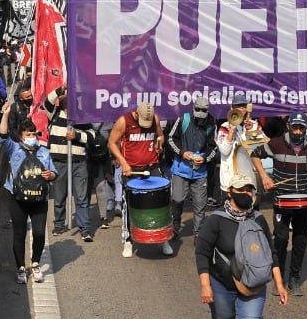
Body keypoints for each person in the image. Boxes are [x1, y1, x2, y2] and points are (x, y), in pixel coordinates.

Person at [195, 174, 287, 319]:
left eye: (250, 189)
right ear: (229, 191)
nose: (246, 193)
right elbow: (202, 253)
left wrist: (280, 284)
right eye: (242, 189)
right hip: (221, 285)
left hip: (253, 287)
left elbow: (271, 254)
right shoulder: (216, 220)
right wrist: (205, 285)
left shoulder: (258, 219)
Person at [0, 103, 55, 284]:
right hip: (17, 199)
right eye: (27, 135)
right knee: (19, 233)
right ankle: (21, 267)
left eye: (33, 134)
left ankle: (35, 263)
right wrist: (5, 114)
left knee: (39, 234)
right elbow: (2, 135)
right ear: (21, 137)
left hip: (39, 199)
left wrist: (49, 175)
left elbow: (53, 173)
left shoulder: (44, 152)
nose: (31, 137)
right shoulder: (14, 148)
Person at [264, 112, 307, 295]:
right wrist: (265, 176)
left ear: (306, 128)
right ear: (288, 126)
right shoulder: (276, 143)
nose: (298, 131)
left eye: (301, 128)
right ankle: (278, 277)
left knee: (300, 240)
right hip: (282, 201)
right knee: (280, 239)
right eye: (295, 127)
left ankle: (295, 278)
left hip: (304, 202)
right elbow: (255, 154)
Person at [107, 100, 169, 258]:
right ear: (136, 113)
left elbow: (160, 136)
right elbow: (112, 143)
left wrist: (160, 144)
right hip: (132, 169)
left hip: (152, 166)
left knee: (160, 201)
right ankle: (128, 240)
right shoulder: (124, 121)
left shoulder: (154, 119)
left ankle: (163, 239)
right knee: (129, 204)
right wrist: (123, 163)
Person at [165, 94, 217, 241]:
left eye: (203, 113)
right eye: (198, 112)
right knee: (177, 199)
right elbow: (171, 139)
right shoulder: (183, 119)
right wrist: (183, 153)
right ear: (193, 108)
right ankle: (174, 227)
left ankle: (198, 235)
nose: (200, 117)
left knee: (200, 205)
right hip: (181, 169)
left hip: (200, 172)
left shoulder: (212, 123)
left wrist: (205, 158)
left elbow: (213, 147)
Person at [45, 88, 92, 241]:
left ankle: (84, 228)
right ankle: (59, 224)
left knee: (81, 197)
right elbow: (48, 101)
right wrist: (62, 87)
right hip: (59, 163)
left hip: (79, 163)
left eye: (69, 100)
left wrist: (77, 136)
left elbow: (92, 135)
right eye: (64, 100)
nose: (67, 103)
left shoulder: (82, 116)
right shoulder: (54, 114)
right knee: (59, 196)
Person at [216, 91, 266, 193]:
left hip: (249, 177)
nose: (241, 109)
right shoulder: (224, 127)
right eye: (238, 106)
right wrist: (231, 132)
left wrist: (251, 131)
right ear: (232, 108)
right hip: (230, 178)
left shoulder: (254, 125)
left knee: (251, 207)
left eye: (243, 106)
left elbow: (263, 147)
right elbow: (224, 151)